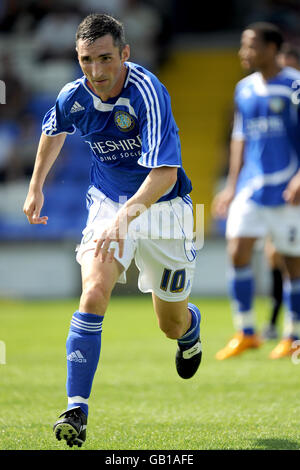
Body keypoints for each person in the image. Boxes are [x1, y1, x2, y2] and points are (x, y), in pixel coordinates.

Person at [23, 13, 202, 448]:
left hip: (165, 210)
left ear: (125, 53)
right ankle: (76, 408)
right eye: (86, 60)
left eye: (105, 58)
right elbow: (52, 130)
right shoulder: (74, 95)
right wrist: (36, 187)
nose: (97, 71)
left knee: (170, 323)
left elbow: (164, 171)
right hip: (107, 204)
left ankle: (190, 329)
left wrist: (128, 218)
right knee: (93, 293)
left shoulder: (147, 91)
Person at [211, 22, 300, 361]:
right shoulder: (243, 89)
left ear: (272, 49)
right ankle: (246, 331)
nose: (242, 53)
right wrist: (231, 185)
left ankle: (293, 335)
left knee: (293, 263)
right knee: (237, 251)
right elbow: (240, 138)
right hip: (251, 186)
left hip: (288, 189)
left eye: (250, 46)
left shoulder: (294, 86)